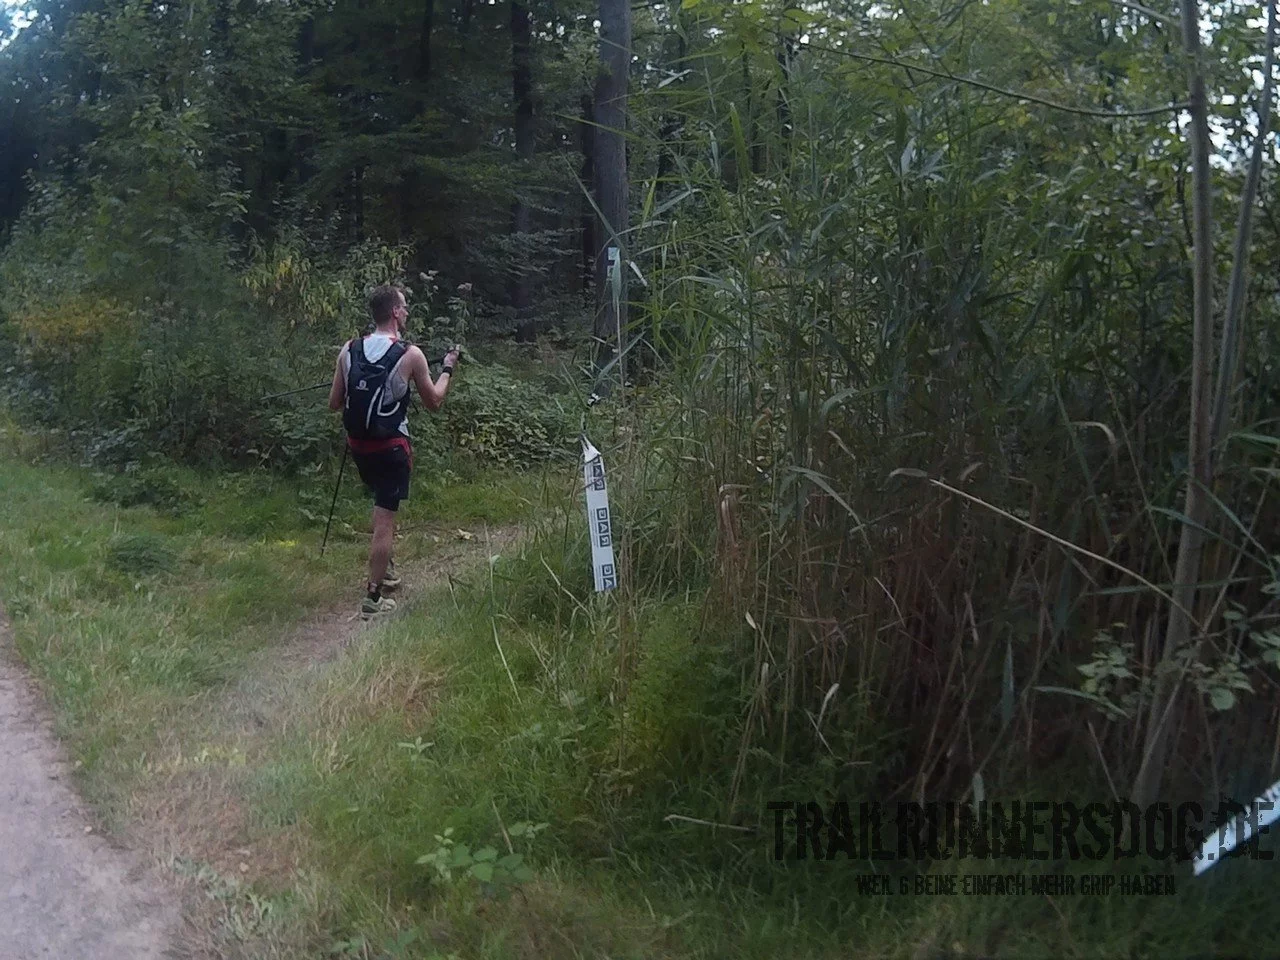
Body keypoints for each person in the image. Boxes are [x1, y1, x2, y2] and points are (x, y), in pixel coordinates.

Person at [328, 283, 461, 619]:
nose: (407, 311)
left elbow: (334, 403)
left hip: (359, 447)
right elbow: (434, 401)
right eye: (404, 306)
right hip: (391, 447)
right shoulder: (411, 354)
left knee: (380, 506)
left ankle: (384, 567)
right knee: (385, 520)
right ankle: (373, 598)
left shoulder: (349, 349)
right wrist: (447, 368)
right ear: (394, 313)